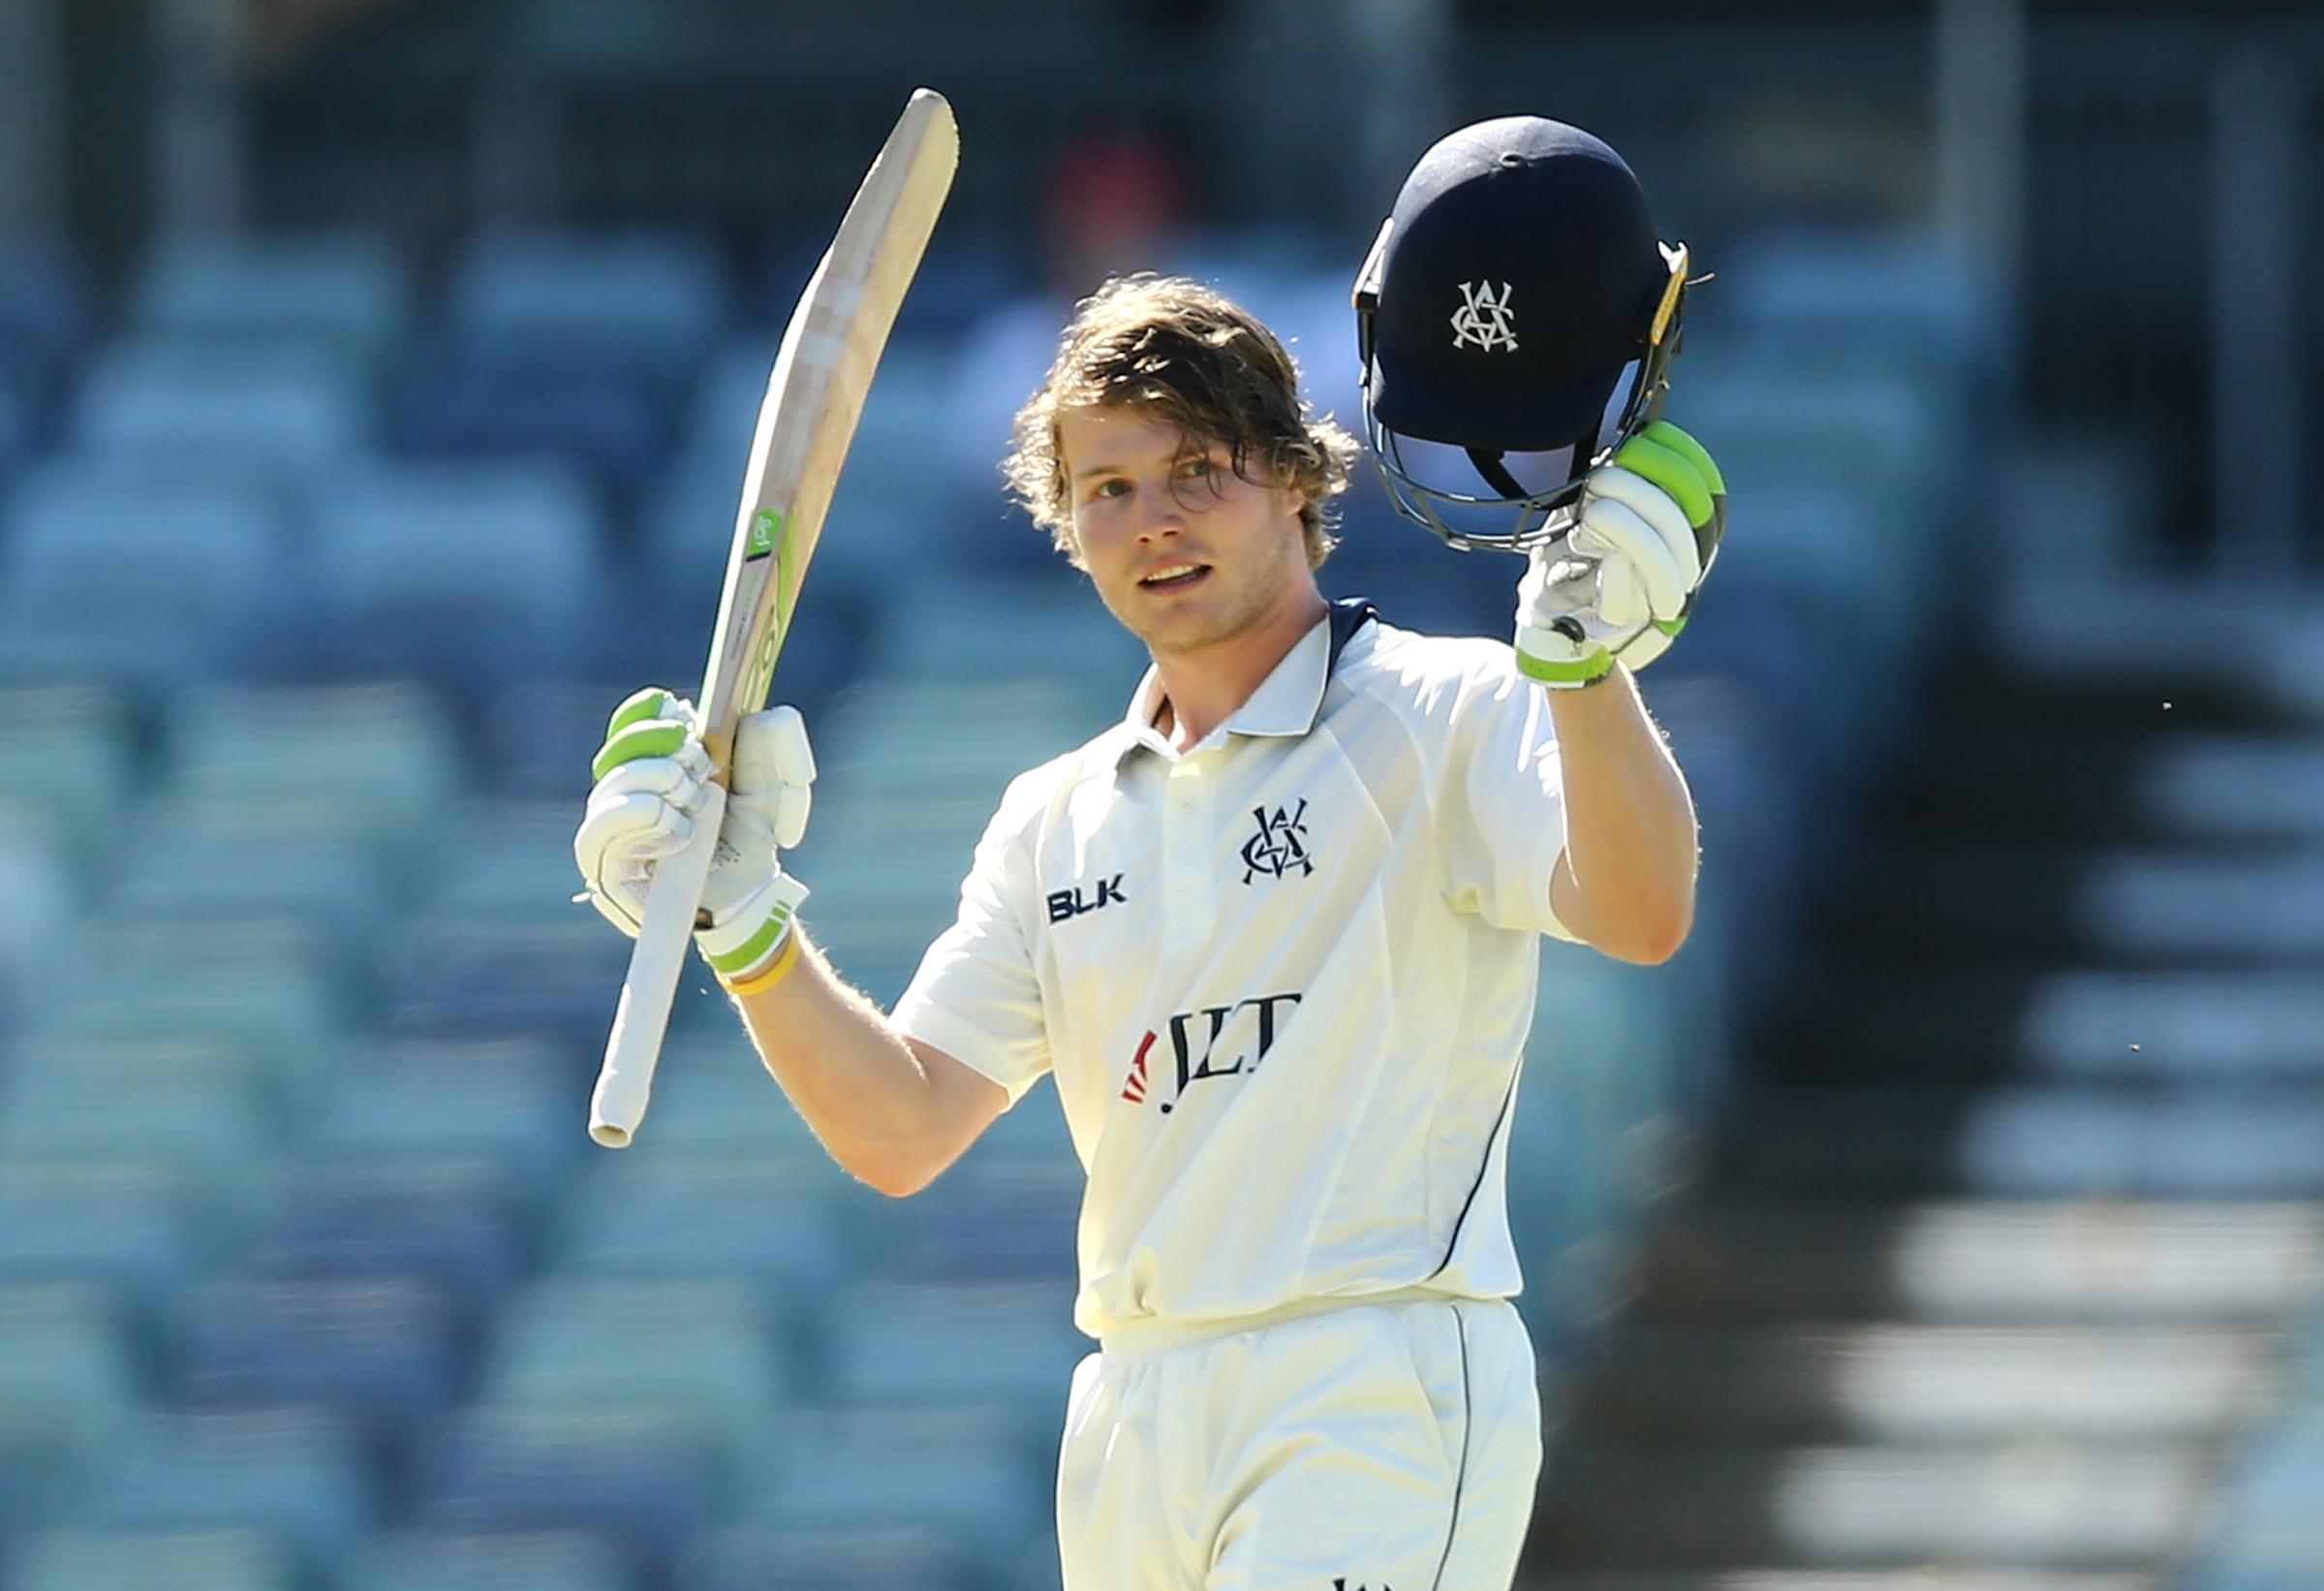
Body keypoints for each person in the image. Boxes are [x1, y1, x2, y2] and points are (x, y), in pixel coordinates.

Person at [574, 115, 1720, 1591]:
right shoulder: (1056, 816)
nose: (1153, 523)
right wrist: (743, 920)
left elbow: (1641, 911)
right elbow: (902, 1129)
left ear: (1297, 482)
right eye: (1107, 489)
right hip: (1130, 1411)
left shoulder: (1447, 711)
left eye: (1196, 472)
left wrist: (1584, 675)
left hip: (1368, 1381)